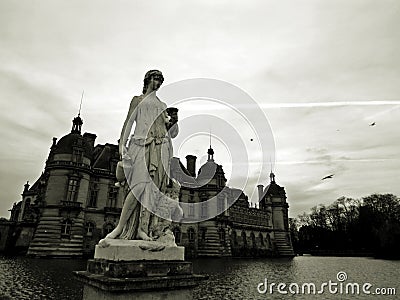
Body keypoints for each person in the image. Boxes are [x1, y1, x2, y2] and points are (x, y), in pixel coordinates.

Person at [99, 70, 179, 246]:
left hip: (160, 148)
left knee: (151, 191)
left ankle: (143, 229)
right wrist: (122, 146)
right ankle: (120, 228)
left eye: (160, 80)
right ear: (148, 80)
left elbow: (171, 134)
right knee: (138, 187)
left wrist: (173, 122)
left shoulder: (162, 105)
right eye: (156, 78)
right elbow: (128, 123)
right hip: (141, 145)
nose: (158, 82)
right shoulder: (138, 100)